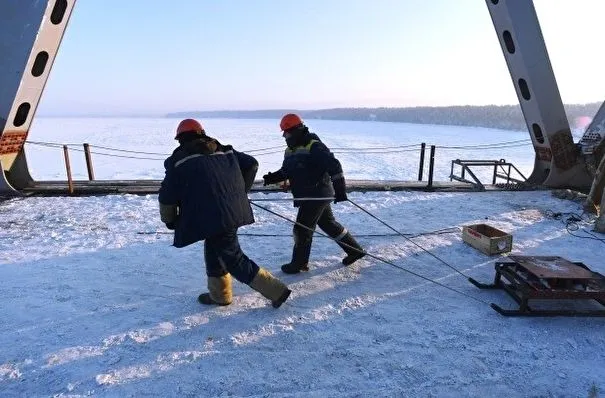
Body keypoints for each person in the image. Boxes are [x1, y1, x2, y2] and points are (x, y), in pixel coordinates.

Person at [158, 118, 291, 308]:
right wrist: (239, 192)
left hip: (212, 215)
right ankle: (220, 295)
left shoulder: (178, 161)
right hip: (227, 211)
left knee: (233, 258)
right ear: (201, 133)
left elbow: (167, 196)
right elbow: (251, 164)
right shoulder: (223, 149)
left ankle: (277, 291)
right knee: (214, 249)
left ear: (180, 139)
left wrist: (170, 220)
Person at [263, 113, 366, 274]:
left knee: (302, 229)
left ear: (297, 129)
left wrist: (340, 190)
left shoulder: (314, 145)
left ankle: (299, 263)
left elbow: (334, 166)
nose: (284, 136)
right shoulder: (290, 151)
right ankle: (355, 250)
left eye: (287, 132)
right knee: (328, 224)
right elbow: (287, 170)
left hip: (317, 194)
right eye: (284, 132)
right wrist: (272, 177)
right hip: (309, 195)